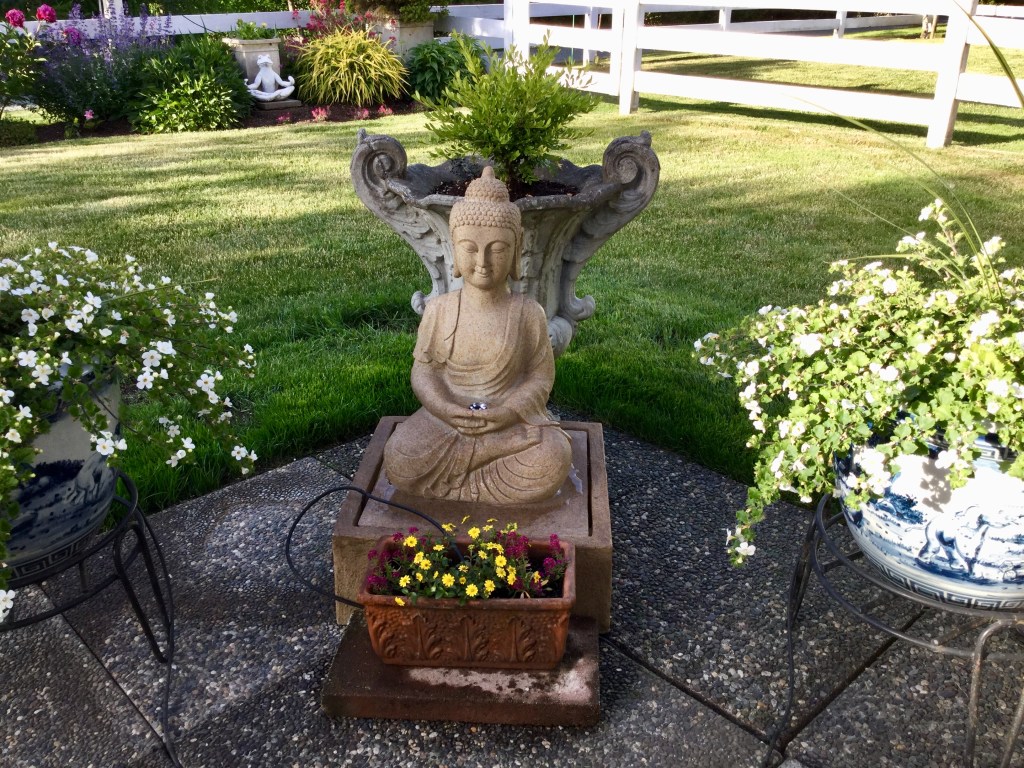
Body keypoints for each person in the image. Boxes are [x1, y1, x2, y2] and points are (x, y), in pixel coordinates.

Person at [383, 166, 572, 504]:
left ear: (515, 251)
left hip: (509, 422)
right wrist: (444, 408)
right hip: (447, 423)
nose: (482, 261)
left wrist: (509, 411)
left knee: (552, 457)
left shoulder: (528, 313)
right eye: (470, 248)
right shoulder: (440, 310)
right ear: (455, 251)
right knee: (400, 458)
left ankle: (458, 478)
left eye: (497, 249)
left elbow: (541, 378)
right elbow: (424, 372)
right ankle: (488, 455)